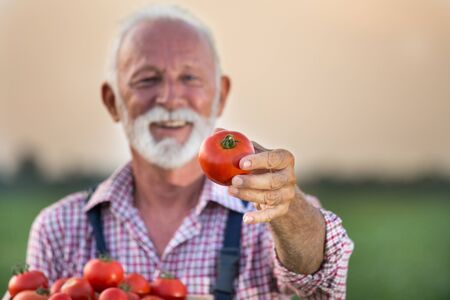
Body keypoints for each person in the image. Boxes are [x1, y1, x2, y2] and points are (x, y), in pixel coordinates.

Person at [25, 5, 353, 299]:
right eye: (147, 79)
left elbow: (322, 285)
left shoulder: (267, 214)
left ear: (220, 96)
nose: (169, 97)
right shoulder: (59, 228)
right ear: (113, 102)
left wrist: (290, 210)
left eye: (190, 77)